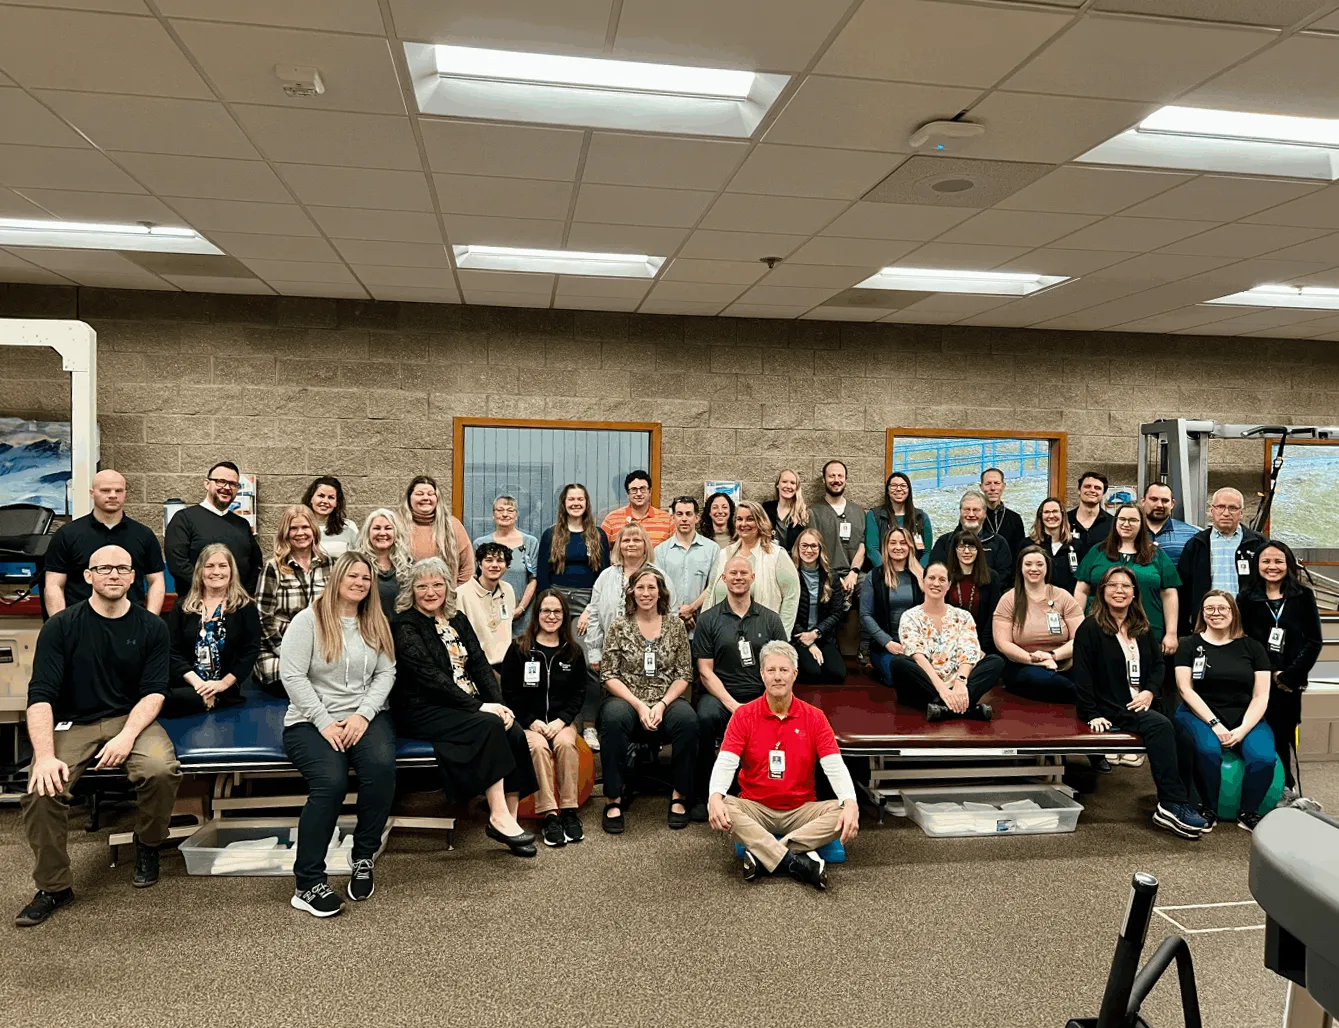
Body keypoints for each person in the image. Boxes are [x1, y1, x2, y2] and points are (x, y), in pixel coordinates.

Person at [16, 544, 180, 927]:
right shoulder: (61, 626)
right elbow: (40, 696)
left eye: (123, 568)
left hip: (132, 719)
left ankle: (149, 843)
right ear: (88, 576)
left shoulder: (152, 627)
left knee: (160, 770)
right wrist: (43, 756)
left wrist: (126, 737)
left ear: (133, 577)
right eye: (103, 568)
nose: (114, 575)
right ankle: (54, 886)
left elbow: (154, 692)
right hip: (75, 723)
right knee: (41, 789)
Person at [390, 558, 539, 858]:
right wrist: (481, 708)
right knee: (490, 726)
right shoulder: (405, 624)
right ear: (412, 591)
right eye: (422, 586)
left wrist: (498, 704)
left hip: (467, 703)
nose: (430, 591)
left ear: (447, 587)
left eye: (437, 584)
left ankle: (509, 818)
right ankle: (497, 814)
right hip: (424, 707)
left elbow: (481, 665)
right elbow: (431, 679)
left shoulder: (457, 618)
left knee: (515, 731)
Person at [280, 552, 397, 916]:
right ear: (337, 578)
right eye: (353, 576)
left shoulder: (374, 622)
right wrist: (324, 722)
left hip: (363, 717)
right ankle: (308, 883)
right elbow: (293, 676)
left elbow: (386, 673)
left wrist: (363, 715)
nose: (360, 583)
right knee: (330, 783)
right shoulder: (308, 620)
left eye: (366, 577)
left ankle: (363, 857)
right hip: (310, 719)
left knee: (380, 769)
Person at [707, 640, 859, 890]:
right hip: (755, 809)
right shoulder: (743, 715)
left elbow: (834, 765)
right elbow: (726, 762)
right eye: (772, 670)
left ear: (795, 674)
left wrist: (851, 802)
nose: (777, 677)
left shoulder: (814, 717)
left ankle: (765, 853)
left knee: (842, 810)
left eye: (784, 670)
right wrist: (714, 797)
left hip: (802, 810)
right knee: (722, 804)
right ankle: (795, 859)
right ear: (762, 674)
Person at [1071, 565, 1207, 840]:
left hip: (1143, 700)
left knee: (1185, 735)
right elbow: (1082, 675)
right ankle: (1170, 804)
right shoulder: (1090, 628)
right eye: (1113, 585)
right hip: (1112, 705)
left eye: (1126, 586)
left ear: (1135, 593)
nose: (1119, 591)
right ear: (1102, 591)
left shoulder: (1141, 627)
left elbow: (1158, 666)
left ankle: (1187, 800)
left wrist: (1149, 691)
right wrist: (1091, 713)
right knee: (1160, 727)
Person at [598, 568, 697, 834]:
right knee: (613, 718)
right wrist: (640, 705)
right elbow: (608, 674)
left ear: (661, 592)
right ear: (631, 591)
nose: (646, 593)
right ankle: (613, 800)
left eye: (651, 588)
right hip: (627, 699)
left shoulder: (675, 625)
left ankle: (680, 795)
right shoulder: (620, 625)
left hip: (667, 698)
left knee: (688, 720)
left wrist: (662, 704)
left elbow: (684, 674)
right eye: (640, 588)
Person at [692, 556, 788, 819]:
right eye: (732, 573)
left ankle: (763, 793)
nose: (738, 577)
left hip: (761, 695)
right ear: (723, 579)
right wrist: (733, 705)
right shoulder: (708, 619)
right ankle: (703, 794)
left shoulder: (770, 620)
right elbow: (704, 671)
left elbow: (782, 666)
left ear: (752, 578)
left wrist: (761, 702)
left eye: (743, 572)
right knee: (704, 717)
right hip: (720, 694)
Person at [1174, 591, 1275, 831]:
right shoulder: (1189, 644)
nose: (1216, 613)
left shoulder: (1253, 647)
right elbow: (1185, 689)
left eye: (1222, 608)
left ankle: (1248, 812)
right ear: (1202, 613)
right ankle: (1208, 808)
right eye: (1209, 608)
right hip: (1197, 713)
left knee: (1264, 757)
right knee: (1207, 750)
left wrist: (1243, 729)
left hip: (1244, 714)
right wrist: (1214, 724)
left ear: (1233, 613)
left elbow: (1261, 695)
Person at [499, 589, 588, 848]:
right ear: (537, 615)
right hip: (529, 723)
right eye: (546, 611)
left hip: (561, 721)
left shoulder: (572, 651)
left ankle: (569, 811)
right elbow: (509, 692)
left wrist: (562, 720)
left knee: (566, 744)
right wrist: (530, 721)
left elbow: (578, 694)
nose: (551, 616)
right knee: (536, 747)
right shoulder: (519, 649)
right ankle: (549, 814)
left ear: (564, 615)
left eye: (557, 611)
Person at [1238, 541, 1322, 797]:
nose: (1272, 566)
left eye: (1278, 561)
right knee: (1256, 730)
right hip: (1258, 678)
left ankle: (1286, 787)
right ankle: (1256, 787)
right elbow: (1244, 640)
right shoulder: (1246, 597)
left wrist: (1289, 675)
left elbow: (1313, 640)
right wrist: (1268, 671)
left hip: (1290, 680)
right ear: (1257, 565)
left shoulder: (1303, 596)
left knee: (1283, 733)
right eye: (1266, 561)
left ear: (1288, 565)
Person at [536, 483, 611, 751]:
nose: (576, 503)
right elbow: (543, 575)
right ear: (564, 503)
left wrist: (591, 609)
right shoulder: (551, 534)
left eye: (580, 499)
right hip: (556, 600)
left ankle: (589, 725)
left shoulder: (598, 535)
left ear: (586, 503)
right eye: (571, 499)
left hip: (587, 602)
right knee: (556, 663)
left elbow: (604, 577)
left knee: (588, 663)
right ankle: (563, 723)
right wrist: (545, 607)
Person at [43, 469, 165, 616]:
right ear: (92, 493)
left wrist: (150, 623)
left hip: (132, 626)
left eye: (118, 490)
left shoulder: (144, 535)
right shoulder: (67, 535)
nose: (113, 495)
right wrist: (61, 627)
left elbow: (156, 581)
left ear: (125, 493)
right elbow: (54, 584)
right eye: (106, 490)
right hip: (79, 625)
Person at [893, 562, 1004, 721]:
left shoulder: (963, 616)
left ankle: (942, 709)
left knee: (995, 662)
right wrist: (942, 689)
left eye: (942, 579)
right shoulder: (909, 616)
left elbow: (969, 651)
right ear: (923, 582)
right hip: (926, 682)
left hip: (956, 681)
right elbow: (918, 657)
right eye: (931, 578)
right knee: (899, 663)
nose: (936, 583)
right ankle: (966, 709)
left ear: (949, 585)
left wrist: (960, 682)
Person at [1074, 504, 1180, 668]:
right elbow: (1081, 589)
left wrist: (1172, 633)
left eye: (1133, 520)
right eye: (1122, 519)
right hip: (1101, 630)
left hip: (1147, 630)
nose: (1126, 524)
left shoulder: (1156, 554)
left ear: (1141, 524)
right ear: (1115, 522)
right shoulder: (1098, 551)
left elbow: (1169, 593)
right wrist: (1077, 626)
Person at [161, 543, 260, 717]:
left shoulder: (245, 607)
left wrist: (222, 684)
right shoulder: (183, 606)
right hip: (186, 683)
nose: (216, 572)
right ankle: (206, 700)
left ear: (231, 571)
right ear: (200, 571)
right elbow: (172, 651)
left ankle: (213, 698)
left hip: (225, 685)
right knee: (159, 697)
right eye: (209, 566)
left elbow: (250, 651)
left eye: (223, 566)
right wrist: (200, 686)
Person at [254, 504, 332, 694]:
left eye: (305, 527)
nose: (300, 533)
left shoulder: (328, 563)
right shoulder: (273, 567)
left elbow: (334, 608)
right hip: (278, 646)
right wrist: (284, 651)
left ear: (313, 530)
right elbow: (263, 617)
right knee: (285, 680)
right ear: (285, 533)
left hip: (319, 645)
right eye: (293, 528)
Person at [993, 545, 1084, 704]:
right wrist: (1037, 660)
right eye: (1028, 564)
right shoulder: (1008, 599)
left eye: (1039, 564)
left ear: (1047, 567)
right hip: (1023, 665)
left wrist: (1052, 656)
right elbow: (1003, 643)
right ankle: (1082, 697)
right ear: (1020, 568)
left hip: (1063, 662)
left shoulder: (1063, 596)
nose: (1034, 569)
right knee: (1037, 678)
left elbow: (1080, 638)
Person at [163, 460, 263, 597]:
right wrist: (212, 591)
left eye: (233, 484)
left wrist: (242, 594)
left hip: (237, 606)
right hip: (195, 606)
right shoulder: (184, 519)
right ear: (207, 484)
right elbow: (177, 563)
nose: (227, 487)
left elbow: (256, 564)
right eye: (221, 481)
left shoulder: (242, 524)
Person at [1176, 487, 1265, 635]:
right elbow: (1183, 589)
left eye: (1233, 508)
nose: (1226, 513)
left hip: (1248, 623)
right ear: (1212, 511)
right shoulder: (1196, 544)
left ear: (1241, 513)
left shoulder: (1259, 543)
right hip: (1207, 622)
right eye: (1221, 507)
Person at [703, 501, 801, 635]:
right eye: (739, 519)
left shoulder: (776, 555)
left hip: (761, 636)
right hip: (721, 636)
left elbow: (791, 595)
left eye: (750, 519)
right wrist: (704, 630)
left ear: (760, 522)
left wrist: (781, 637)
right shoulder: (724, 554)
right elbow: (710, 592)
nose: (743, 524)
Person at [860, 526, 925, 688]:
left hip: (917, 646)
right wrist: (887, 642)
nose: (898, 547)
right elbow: (865, 615)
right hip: (885, 647)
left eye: (903, 543)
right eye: (893, 543)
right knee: (897, 678)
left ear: (910, 546)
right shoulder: (874, 576)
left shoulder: (921, 576)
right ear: (886, 547)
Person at [472, 494, 538, 637]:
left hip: (523, 615)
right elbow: (476, 580)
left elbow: (533, 579)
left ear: (516, 515)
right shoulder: (480, 544)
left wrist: (521, 609)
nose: (505, 514)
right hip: (490, 614)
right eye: (500, 510)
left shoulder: (530, 543)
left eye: (510, 510)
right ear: (493, 515)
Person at [653, 494, 720, 633]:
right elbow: (658, 587)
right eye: (679, 514)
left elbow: (714, 585)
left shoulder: (712, 549)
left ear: (697, 518)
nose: (684, 519)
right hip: (669, 626)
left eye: (689, 514)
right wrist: (678, 613)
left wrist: (692, 608)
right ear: (673, 518)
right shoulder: (660, 551)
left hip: (702, 625)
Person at [790, 529, 847, 685]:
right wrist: (806, 639)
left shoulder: (831, 576)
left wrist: (815, 634)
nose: (809, 550)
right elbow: (786, 612)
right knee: (812, 672)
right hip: (796, 636)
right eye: (805, 546)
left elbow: (836, 613)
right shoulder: (790, 574)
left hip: (821, 634)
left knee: (837, 674)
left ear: (820, 549)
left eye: (814, 546)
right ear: (797, 548)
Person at [400, 475, 473, 585]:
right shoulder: (397, 525)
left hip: (447, 599)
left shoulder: (453, 525)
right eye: (419, 494)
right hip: (405, 599)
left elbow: (468, 567)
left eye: (430, 494)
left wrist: (455, 594)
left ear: (437, 498)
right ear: (409, 498)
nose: (425, 498)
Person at [808, 460, 865, 598]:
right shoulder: (813, 512)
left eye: (840, 476)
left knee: (870, 586)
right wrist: (832, 576)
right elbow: (812, 550)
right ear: (824, 479)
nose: (836, 480)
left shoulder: (858, 512)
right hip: (825, 573)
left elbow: (862, 547)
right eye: (831, 476)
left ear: (846, 478)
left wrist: (854, 572)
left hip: (854, 573)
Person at [927, 489, 1012, 581]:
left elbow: (1004, 576)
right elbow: (936, 573)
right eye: (967, 510)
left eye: (976, 510)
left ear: (984, 513)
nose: (971, 514)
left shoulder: (998, 543)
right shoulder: (944, 542)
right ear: (960, 512)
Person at [458, 541, 517, 668]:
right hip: (477, 665)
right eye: (489, 560)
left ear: (507, 566)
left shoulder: (508, 590)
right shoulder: (461, 594)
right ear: (479, 564)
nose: (494, 565)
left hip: (507, 663)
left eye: (500, 561)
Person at [944, 530, 1003, 654]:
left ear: (978, 550)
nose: (966, 551)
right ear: (954, 550)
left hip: (983, 643)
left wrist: (981, 647)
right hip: (949, 642)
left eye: (971, 547)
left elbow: (993, 614)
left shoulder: (991, 577)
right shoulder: (945, 575)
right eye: (961, 546)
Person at [866, 471, 933, 569]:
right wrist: (885, 571)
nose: (898, 489)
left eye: (903, 485)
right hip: (884, 572)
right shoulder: (874, 516)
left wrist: (919, 571)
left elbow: (927, 551)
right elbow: (872, 549)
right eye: (893, 485)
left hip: (914, 573)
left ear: (909, 490)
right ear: (887, 490)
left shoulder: (921, 517)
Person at [357, 507, 411, 620]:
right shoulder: (357, 563)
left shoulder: (409, 565)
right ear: (368, 532)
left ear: (396, 532)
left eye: (388, 528)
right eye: (376, 528)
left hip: (401, 630)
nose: (382, 533)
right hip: (367, 628)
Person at [600, 469, 674, 548]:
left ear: (650, 491)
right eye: (634, 490)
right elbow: (599, 550)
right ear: (627, 494)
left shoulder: (667, 520)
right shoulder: (612, 519)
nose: (639, 494)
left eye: (643, 489)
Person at [1025, 497, 1081, 595]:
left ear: (1062, 515)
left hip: (1067, 602)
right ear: (1040, 516)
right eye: (1046, 512)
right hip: (1035, 601)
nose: (1051, 515)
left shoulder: (1077, 545)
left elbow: (1081, 580)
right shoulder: (1028, 544)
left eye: (1055, 511)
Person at [301, 476, 358, 558]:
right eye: (321, 496)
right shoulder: (299, 527)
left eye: (331, 497)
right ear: (311, 498)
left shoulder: (349, 527)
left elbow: (360, 558)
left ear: (336, 503)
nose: (325, 501)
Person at [1142, 482, 1197, 564]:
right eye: (1154, 499)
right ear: (1143, 501)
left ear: (1172, 504)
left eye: (1165, 500)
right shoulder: (1129, 532)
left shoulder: (1191, 535)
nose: (1159, 505)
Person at [980, 467, 1026, 561]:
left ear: (1003, 486)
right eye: (988, 484)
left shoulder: (1015, 519)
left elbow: (1020, 553)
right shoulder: (974, 517)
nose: (992, 488)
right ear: (981, 487)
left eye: (997, 483)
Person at [762, 468, 809, 552]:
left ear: (797, 487)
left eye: (792, 483)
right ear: (777, 484)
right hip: (769, 558)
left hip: (793, 562)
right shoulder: (766, 508)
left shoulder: (803, 512)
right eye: (784, 482)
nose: (788, 486)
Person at [1068, 471, 1113, 558]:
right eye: (1087, 486)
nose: (1092, 490)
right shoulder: (1064, 520)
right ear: (1079, 491)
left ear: (1103, 494)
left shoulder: (1113, 523)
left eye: (1097, 488)